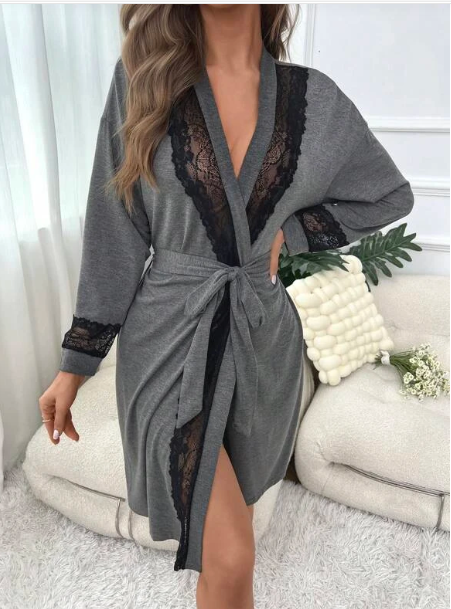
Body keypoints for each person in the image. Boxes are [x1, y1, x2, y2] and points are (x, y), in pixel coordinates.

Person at [38, 5, 415, 608]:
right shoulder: (145, 78)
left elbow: (389, 195)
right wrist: (76, 363)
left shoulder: (313, 101)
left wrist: (294, 231)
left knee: (222, 553)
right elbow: (115, 228)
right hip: (167, 341)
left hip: (261, 344)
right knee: (234, 552)